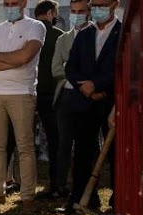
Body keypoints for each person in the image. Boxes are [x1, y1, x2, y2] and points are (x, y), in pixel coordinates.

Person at [0, 0, 46, 207]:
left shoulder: (36, 26)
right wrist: (12, 58)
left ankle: (27, 196)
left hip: (22, 93)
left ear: (24, 3)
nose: (10, 6)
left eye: (14, 2)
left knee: (24, 145)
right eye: (6, 3)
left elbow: (25, 57)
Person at [56, 0, 121, 214]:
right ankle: (80, 199)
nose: (97, 9)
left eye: (103, 4)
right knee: (83, 152)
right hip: (85, 102)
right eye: (94, 4)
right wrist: (87, 88)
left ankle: (118, 202)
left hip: (112, 102)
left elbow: (124, 68)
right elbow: (71, 67)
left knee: (115, 154)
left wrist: (100, 85)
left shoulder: (124, 34)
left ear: (114, 4)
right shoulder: (84, 34)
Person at [52, 0, 91, 199]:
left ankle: (85, 189)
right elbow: (56, 69)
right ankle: (61, 186)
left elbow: (95, 70)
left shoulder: (96, 35)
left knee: (87, 145)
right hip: (65, 97)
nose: (76, 15)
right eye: (73, 11)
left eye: (81, 11)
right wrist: (78, 72)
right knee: (64, 144)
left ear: (89, 12)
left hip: (88, 97)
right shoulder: (63, 39)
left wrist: (72, 69)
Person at [34, 0, 65, 199]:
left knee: (23, 142)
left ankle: (13, 181)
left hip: (27, 93)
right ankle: (56, 185)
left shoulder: (28, 34)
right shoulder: (58, 36)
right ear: (52, 13)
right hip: (53, 96)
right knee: (56, 142)